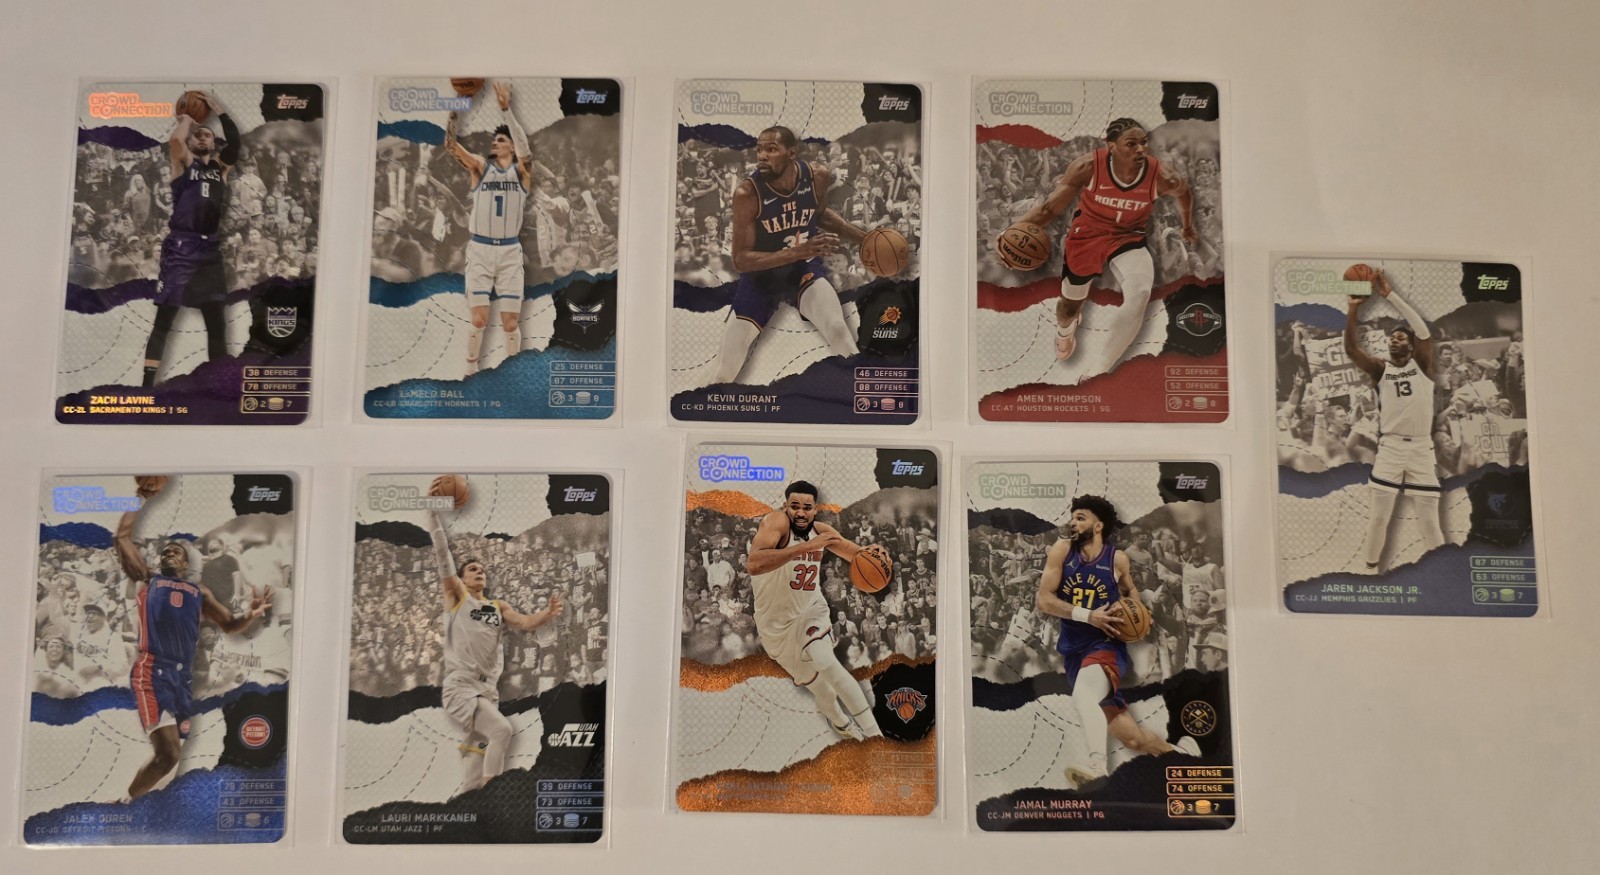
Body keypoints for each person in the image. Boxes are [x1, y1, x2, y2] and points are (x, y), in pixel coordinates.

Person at [115, 476, 271, 800]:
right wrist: (140, 498)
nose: (170, 554)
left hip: (182, 681)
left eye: (177, 552)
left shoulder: (199, 592)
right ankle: (124, 805)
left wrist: (251, 615)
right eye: (166, 552)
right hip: (153, 672)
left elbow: (230, 625)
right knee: (168, 755)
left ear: (187, 564)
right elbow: (122, 537)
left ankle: (138, 804)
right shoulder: (147, 580)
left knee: (170, 762)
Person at [1033, 495, 1197, 791]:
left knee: (1084, 697)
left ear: (1098, 526)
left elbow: (1131, 594)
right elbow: (1044, 601)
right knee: (1133, 739)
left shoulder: (1116, 559)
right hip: (1074, 652)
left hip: (1106, 646)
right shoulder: (1062, 550)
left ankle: (1097, 768)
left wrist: (1136, 616)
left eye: (1080, 517)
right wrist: (1089, 616)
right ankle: (1183, 756)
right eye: (1072, 516)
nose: (1072, 522)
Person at [1008, 118, 1195, 377]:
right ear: (1112, 146)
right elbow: (1050, 208)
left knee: (1140, 293)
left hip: (1128, 237)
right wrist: (1014, 230)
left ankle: (1098, 370)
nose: (1141, 149)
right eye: (1131, 144)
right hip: (1087, 236)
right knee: (1069, 308)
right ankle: (1065, 331)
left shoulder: (1162, 177)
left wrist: (1187, 227)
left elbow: (1184, 193)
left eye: (1143, 142)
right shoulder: (1087, 166)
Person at [426, 479, 563, 795]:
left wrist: (547, 613)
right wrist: (433, 516)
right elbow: (443, 557)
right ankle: (494, 795)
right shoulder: (458, 599)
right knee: (501, 730)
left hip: (488, 690)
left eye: (481, 570)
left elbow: (525, 622)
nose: (479, 571)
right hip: (462, 686)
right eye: (472, 569)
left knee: (475, 766)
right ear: (462, 579)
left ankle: (470, 799)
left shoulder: (498, 606)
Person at [711, 127, 873, 384]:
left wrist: (864, 238)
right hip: (761, 281)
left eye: (771, 149)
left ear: (792, 153)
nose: (762, 156)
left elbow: (819, 213)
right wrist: (797, 251)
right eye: (759, 150)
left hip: (802, 271)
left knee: (837, 328)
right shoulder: (747, 193)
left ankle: (861, 394)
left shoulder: (817, 176)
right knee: (725, 370)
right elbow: (741, 260)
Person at [747, 480, 890, 741]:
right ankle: (841, 723)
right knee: (824, 693)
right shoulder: (775, 523)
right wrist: (806, 547)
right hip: (775, 627)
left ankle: (875, 737)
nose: (800, 512)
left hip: (810, 611)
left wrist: (877, 557)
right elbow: (754, 564)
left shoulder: (821, 530)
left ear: (815, 509)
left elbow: (858, 556)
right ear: (785, 506)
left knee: (825, 660)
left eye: (807, 507)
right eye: (795, 506)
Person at [1343, 268, 1445, 572]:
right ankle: (1370, 571)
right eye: (1391, 338)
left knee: (1429, 521)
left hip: (1421, 449)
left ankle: (1443, 572)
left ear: (1411, 346)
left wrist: (1390, 296)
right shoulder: (1380, 369)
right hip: (1390, 448)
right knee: (1378, 518)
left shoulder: (1421, 365)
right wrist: (1353, 308)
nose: (1393, 341)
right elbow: (1351, 349)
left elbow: (1423, 331)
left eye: (1400, 337)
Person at [443, 80, 547, 375]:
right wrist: (457, 105)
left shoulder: (522, 172)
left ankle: (513, 374)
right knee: (478, 320)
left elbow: (526, 150)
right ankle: (470, 372)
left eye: (501, 140)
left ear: (512, 146)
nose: (495, 143)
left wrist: (506, 111)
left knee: (510, 324)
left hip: (510, 252)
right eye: (494, 140)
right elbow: (450, 145)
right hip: (480, 249)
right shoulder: (480, 167)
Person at [143, 91, 239, 387]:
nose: (202, 137)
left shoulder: (221, 169)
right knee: (165, 319)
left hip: (210, 250)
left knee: (216, 322)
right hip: (182, 247)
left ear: (213, 143)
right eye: (198, 135)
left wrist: (220, 111)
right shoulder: (183, 163)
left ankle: (218, 385)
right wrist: (187, 118)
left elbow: (235, 143)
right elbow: (176, 141)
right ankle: (147, 386)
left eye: (207, 135)